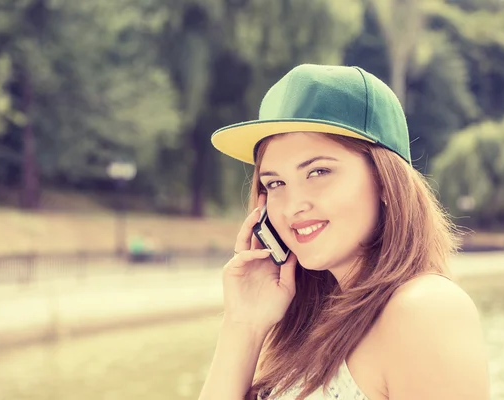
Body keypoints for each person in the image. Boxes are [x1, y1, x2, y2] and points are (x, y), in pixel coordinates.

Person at [199, 64, 489, 400]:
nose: (293, 206)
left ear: (384, 180)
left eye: (318, 171)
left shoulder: (425, 309)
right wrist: (243, 324)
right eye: (275, 183)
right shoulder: (301, 330)